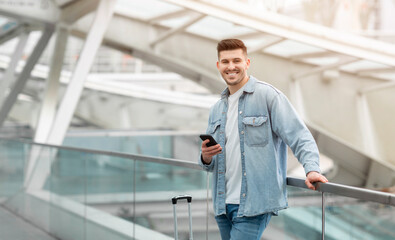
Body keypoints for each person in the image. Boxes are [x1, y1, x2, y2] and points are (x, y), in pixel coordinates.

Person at [199, 39, 328, 240]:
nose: (231, 66)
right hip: (222, 205)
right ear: (218, 66)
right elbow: (211, 164)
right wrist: (206, 157)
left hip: (254, 206)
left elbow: (299, 136)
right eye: (225, 62)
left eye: (236, 60)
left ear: (247, 63)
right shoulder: (217, 108)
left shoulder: (268, 96)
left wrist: (312, 170)